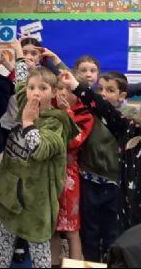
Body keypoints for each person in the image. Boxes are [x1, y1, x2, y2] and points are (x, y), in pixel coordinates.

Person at [0, 38, 78, 268]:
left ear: (54, 92)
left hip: (37, 199)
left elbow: (40, 150)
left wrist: (28, 123)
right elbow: (21, 81)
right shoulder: (24, 102)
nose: (35, 93)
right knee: (4, 240)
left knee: (38, 247)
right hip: (13, 192)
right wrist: (19, 53)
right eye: (32, 88)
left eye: (43, 88)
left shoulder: (56, 121)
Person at [61, 69, 141, 261]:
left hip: (129, 212)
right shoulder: (128, 129)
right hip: (120, 205)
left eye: (110, 90)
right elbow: (100, 106)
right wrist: (74, 85)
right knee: (96, 235)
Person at [51, 78, 94, 265]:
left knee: (71, 229)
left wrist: (66, 113)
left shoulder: (85, 116)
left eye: (69, 89)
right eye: (59, 88)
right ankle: (53, 264)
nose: (62, 93)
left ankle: (75, 264)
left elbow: (72, 142)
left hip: (68, 178)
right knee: (51, 228)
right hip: (49, 175)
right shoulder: (49, 110)